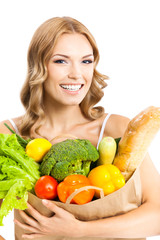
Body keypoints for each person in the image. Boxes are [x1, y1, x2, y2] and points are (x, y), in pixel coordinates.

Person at [0, 16, 160, 240]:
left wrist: (79, 231)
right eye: (61, 61)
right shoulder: (8, 136)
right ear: (38, 66)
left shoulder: (117, 129)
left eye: (86, 61)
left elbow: (157, 216)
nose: (76, 74)